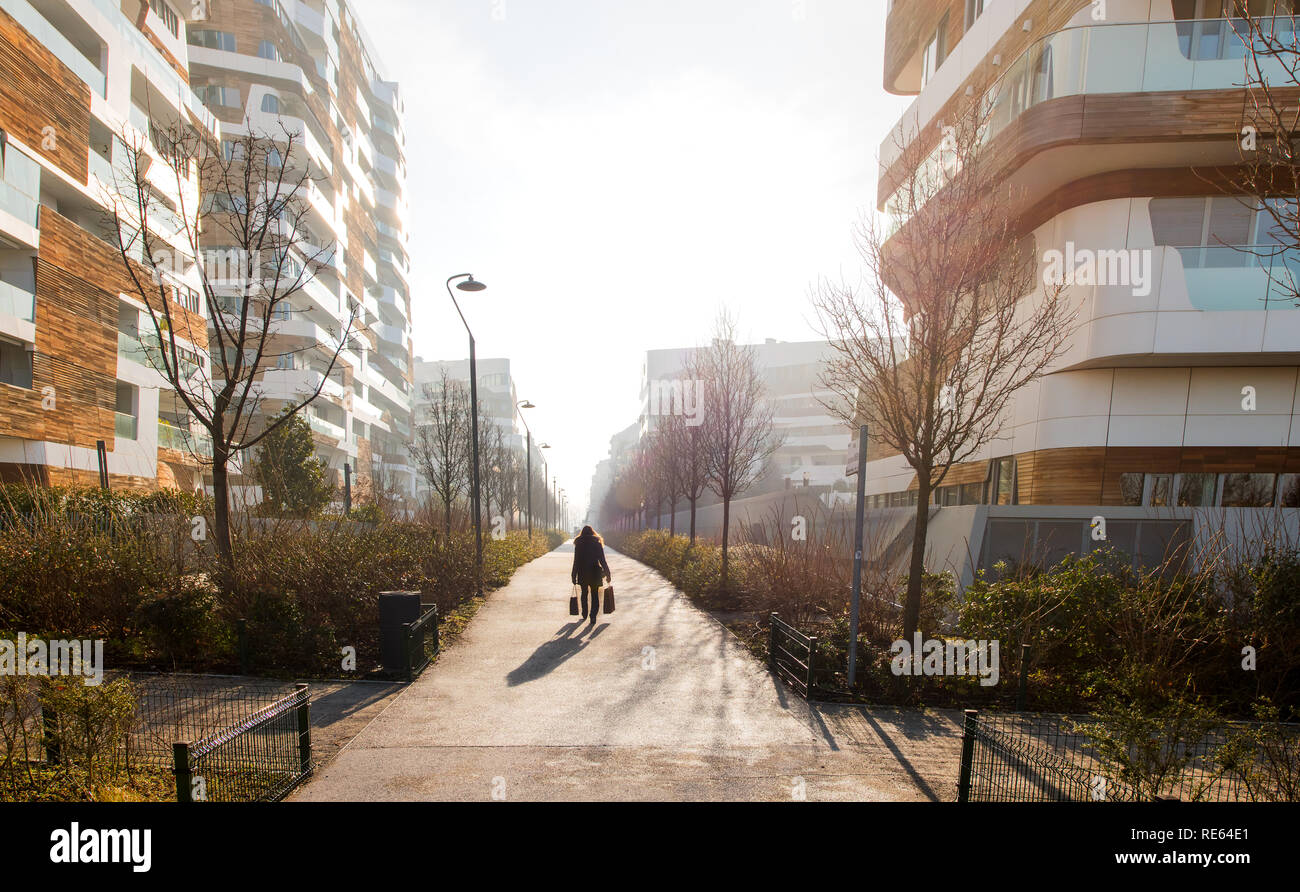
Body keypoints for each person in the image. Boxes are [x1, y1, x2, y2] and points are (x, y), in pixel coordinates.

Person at [571, 525, 611, 626]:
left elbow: (576, 561)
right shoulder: (597, 543)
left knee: (584, 593)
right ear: (593, 533)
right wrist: (607, 573)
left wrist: (573, 574)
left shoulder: (579, 544)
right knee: (594, 595)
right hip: (595, 572)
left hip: (582, 572)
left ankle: (584, 613)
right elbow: (602, 560)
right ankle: (593, 615)